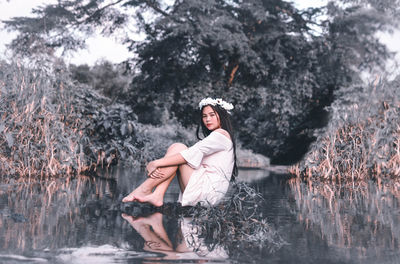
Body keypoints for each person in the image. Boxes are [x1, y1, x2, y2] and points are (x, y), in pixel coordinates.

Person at [122, 97, 237, 207]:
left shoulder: (221, 134)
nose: (207, 119)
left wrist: (155, 163)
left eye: (212, 115)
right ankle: (157, 195)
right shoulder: (220, 135)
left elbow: (190, 154)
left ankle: (144, 189)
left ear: (222, 115)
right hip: (209, 193)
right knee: (178, 148)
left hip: (208, 192)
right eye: (204, 116)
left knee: (179, 148)